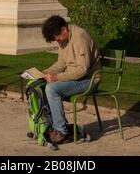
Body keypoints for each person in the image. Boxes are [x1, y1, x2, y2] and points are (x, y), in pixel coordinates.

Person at [41, 15, 101, 144]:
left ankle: (61, 131)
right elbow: (61, 64)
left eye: (57, 38)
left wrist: (57, 77)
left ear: (64, 29)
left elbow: (82, 69)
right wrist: (44, 73)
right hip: (75, 79)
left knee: (52, 88)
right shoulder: (64, 39)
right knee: (41, 84)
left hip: (89, 80)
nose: (57, 41)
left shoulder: (80, 38)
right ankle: (53, 127)